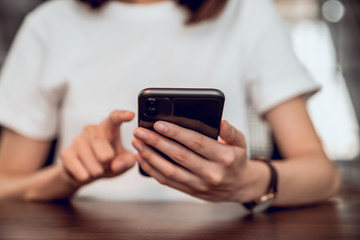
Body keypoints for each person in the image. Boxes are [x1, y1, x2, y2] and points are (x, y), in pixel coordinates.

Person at [0, 0, 339, 210]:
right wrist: (65, 177)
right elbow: (5, 186)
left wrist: (247, 181)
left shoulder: (247, 11)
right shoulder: (50, 23)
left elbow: (323, 176)